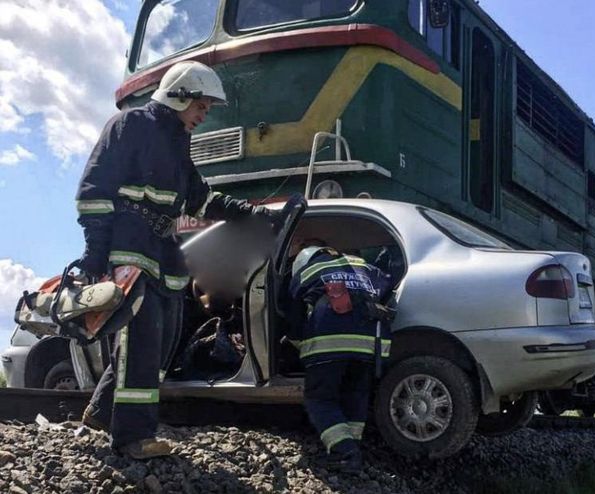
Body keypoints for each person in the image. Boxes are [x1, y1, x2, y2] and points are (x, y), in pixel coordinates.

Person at [76, 60, 304, 459]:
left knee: (163, 341)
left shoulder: (177, 142)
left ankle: (102, 411)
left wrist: (254, 214)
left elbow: (202, 199)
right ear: (179, 94)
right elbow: (94, 189)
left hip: (163, 251)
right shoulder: (130, 125)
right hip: (129, 248)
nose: (204, 114)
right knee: (141, 339)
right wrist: (96, 252)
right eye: (202, 106)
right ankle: (132, 438)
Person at [287, 245, 394, 473]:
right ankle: (352, 445)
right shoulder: (362, 265)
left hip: (330, 342)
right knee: (355, 394)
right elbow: (387, 287)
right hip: (371, 344)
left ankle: (344, 452)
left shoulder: (307, 271)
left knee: (320, 399)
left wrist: (297, 343)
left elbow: (293, 313)